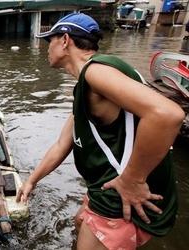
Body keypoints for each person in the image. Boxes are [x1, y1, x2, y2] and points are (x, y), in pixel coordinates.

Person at [16, 13, 185, 249]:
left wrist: (132, 180)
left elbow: (168, 114)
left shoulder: (95, 72)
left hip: (118, 194)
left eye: (49, 40)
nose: (46, 48)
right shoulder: (93, 80)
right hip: (104, 187)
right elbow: (63, 144)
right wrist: (31, 181)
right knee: (78, 222)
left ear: (65, 40)